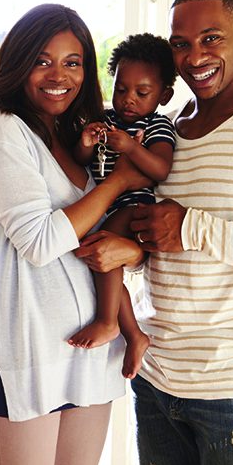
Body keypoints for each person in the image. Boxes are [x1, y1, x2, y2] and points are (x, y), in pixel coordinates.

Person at [88, 0, 233, 465]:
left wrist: (188, 224)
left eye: (211, 39)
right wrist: (135, 251)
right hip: (159, 378)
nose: (195, 56)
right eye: (180, 43)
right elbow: (158, 239)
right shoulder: (162, 131)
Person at [0, 3, 148, 465]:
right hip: (23, 359)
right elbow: (40, 241)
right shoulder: (1, 131)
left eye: (72, 62)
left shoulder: (78, 137)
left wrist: (128, 244)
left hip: (90, 354)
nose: (58, 75)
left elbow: (104, 242)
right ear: (18, 64)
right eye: (42, 60)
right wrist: (115, 188)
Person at [68, 33, 176, 380]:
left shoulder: (158, 125)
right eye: (121, 90)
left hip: (135, 208)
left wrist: (130, 147)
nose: (128, 100)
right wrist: (87, 142)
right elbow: (84, 162)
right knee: (101, 259)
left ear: (164, 95)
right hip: (106, 209)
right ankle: (134, 334)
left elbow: (160, 168)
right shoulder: (106, 118)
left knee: (103, 249)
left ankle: (107, 321)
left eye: (142, 93)